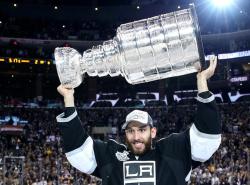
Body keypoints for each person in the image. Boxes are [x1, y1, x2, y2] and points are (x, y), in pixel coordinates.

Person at [56, 56, 221, 185]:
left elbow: (207, 136)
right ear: (125, 133)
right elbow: (78, 151)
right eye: (131, 131)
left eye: (142, 130)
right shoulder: (111, 156)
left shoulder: (173, 151)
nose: (136, 137)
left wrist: (202, 81)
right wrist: (69, 99)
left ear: (153, 131)